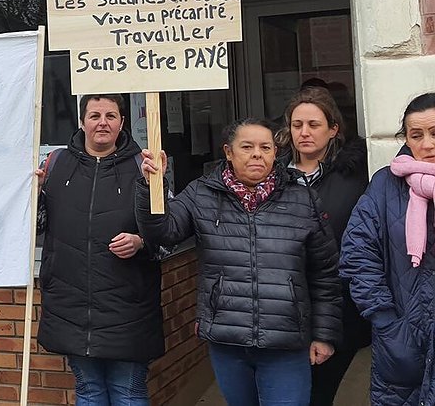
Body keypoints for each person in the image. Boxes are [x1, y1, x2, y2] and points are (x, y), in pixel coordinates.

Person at [137, 117, 341, 406]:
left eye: (265, 147)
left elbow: (324, 273)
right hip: (228, 339)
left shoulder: (302, 198)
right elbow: (163, 233)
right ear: (228, 152)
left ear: (275, 153)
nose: (257, 153)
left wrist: (324, 334)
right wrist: (150, 188)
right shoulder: (201, 194)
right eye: (247, 146)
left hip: (286, 341)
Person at [35, 94, 162, 406]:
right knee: (89, 390)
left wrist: (141, 241)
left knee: (128, 393)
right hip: (72, 305)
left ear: (122, 123)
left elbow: (169, 232)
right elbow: (34, 228)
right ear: (82, 122)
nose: (102, 123)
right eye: (94, 116)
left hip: (128, 306)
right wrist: (34, 196)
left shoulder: (142, 167)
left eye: (110, 116)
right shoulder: (54, 165)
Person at [276, 88, 371, 406]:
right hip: (280, 310)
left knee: (317, 396)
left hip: (338, 308)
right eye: (296, 124)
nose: (304, 132)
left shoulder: (358, 177)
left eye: (313, 125)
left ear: (333, 130)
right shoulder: (270, 177)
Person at [341, 92, 435, 406]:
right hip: (404, 342)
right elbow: (358, 254)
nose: (427, 144)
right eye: (416, 135)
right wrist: (386, 322)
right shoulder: (385, 185)